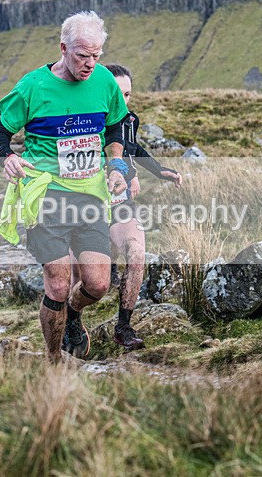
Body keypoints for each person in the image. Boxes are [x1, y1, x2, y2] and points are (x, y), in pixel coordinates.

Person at [0, 10, 130, 362]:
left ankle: (74, 315)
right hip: (47, 193)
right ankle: (54, 361)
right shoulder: (33, 86)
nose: (90, 64)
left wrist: (115, 164)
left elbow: (115, 128)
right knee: (56, 281)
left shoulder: (104, 82)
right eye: (83, 56)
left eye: (96, 56)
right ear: (63, 48)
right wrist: (7, 156)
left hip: (89, 194)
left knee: (98, 284)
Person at [102, 63, 182, 350]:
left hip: (121, 202)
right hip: (87, 205)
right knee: (89, 284)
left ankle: (123, 326)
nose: (122, 101)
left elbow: (133, 150)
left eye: (127, 94)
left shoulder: (129, 120)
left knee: (137, 253)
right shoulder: (85, 120)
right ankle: (72, 320)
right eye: (116, 93)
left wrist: (159, 171)